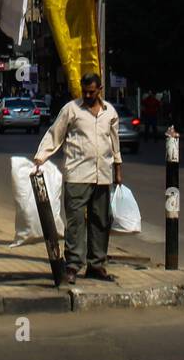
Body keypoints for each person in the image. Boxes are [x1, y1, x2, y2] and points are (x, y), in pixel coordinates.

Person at [33, 73, 122, 285]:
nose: (88, 95)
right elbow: (55, 134)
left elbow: (114, 142)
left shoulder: (110, 112)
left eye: (92, 91)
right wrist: (41, 157)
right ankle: (72, 265)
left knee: (101, 220)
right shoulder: (71, 109)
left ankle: (96, 264)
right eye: (85, 92)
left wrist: (118, 169)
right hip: (77, 174)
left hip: (102, 175)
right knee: (75, 222)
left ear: (100, 89)